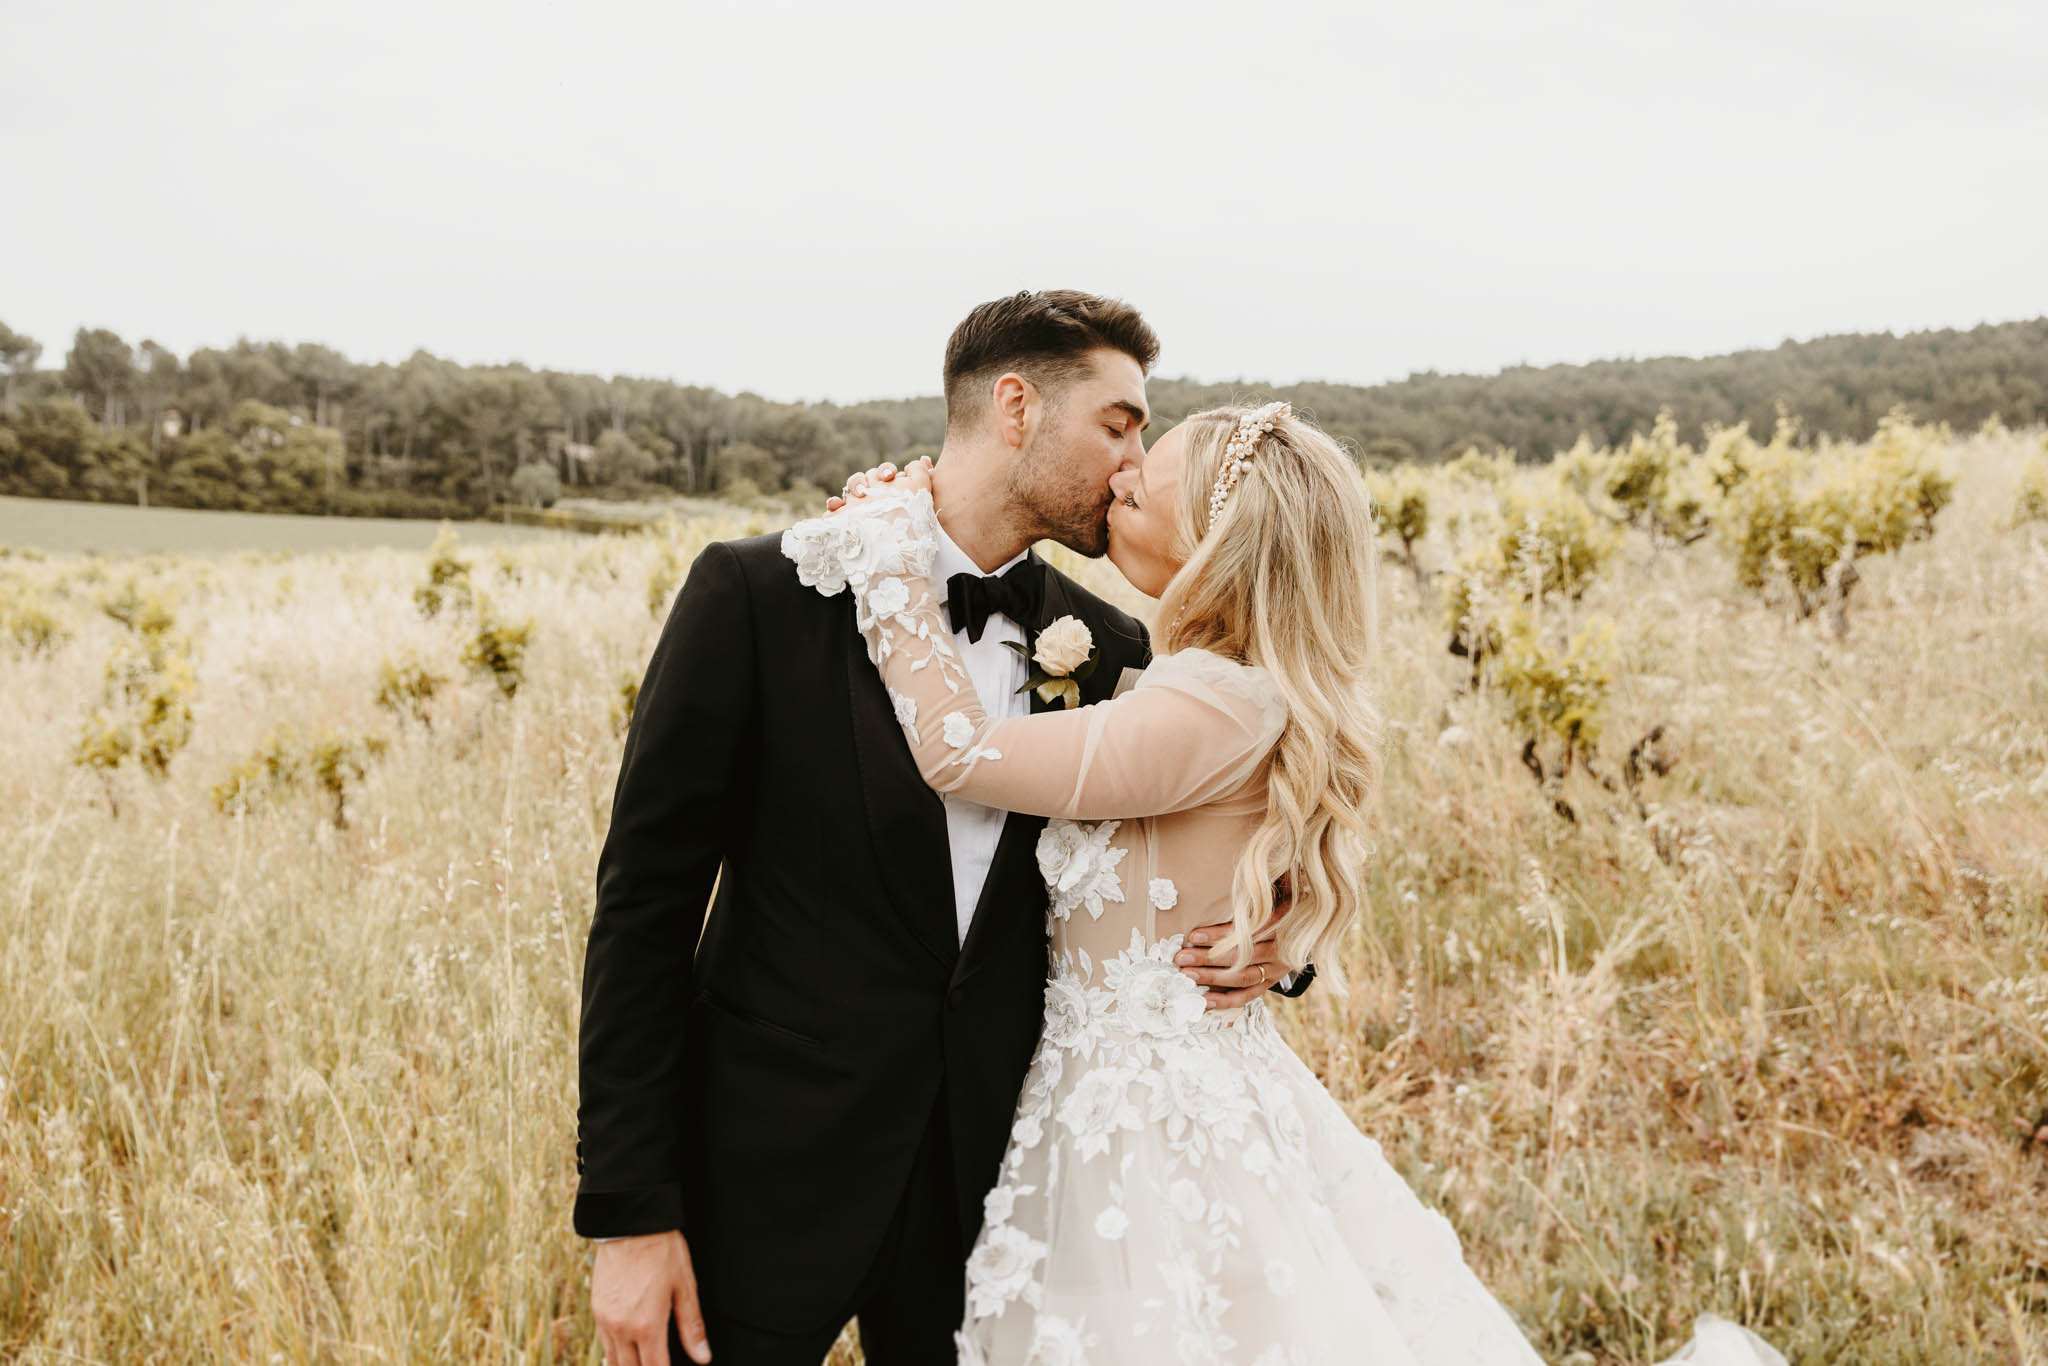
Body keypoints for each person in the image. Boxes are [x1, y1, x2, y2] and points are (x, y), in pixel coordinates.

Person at [791, 402, 1786, 1363]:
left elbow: (962, 755)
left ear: (1220, 543)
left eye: (1151, 472)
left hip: (1151, 1124)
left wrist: (885, 561)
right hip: (1122, 1091)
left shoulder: (1213, 699)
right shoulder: (1201, 677)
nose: (1122, 471)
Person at [574, 290, 1315, 1366]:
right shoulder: (761, 595)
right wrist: (628, 1213)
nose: (1132, 464)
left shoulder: (1112, 649)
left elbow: (1206, 853)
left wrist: (1274, 944)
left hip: (1006, 1203)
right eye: (1118, 423)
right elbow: (640, 911)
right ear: (1014, 406)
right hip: (762, 1179)